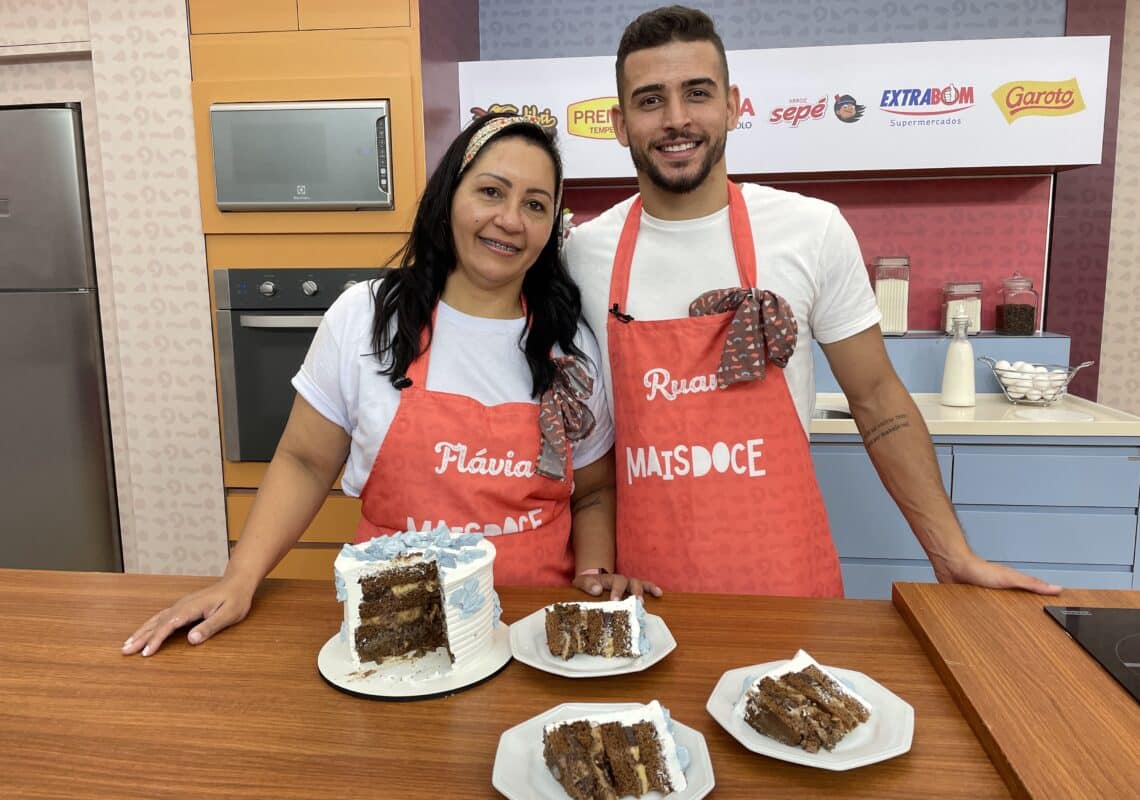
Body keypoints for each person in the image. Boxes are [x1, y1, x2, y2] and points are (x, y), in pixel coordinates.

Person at [562, 5, 1062, 597]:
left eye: (697, 93)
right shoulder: (583, 256)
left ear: (733, 105)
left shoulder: (811, 230)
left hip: (787, 583)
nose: (676, 119)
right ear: (620, 124)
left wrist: (951, 554)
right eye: (650, 101)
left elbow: (877, 398)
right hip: (643, 593)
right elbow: (583, 441)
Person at [124, 113, 659, 658]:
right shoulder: (366, 317)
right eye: (491, 191)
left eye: (535, 204)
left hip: (532, 635)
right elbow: (304, 462)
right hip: (397, 634)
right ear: (449, 195)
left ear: (552, 227)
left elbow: (593, 491)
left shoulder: (567, 347)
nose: (510, 220)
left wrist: (593, 580)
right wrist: (239, 578)